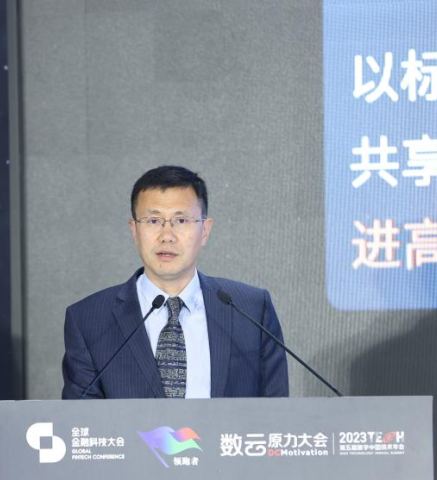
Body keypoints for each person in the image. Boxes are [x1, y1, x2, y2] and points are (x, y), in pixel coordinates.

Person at [61, 165, 288, 399]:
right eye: (153, 221)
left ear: (205, 230)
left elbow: (277, 412)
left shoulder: (251, 310)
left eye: (181, 220)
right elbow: (81, 418)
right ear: (134, 231)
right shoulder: (88, 320)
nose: (167, 236)